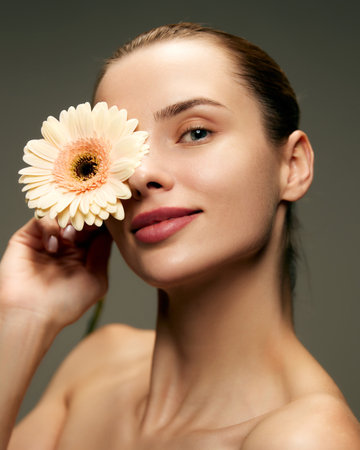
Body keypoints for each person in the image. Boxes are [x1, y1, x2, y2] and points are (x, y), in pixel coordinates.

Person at [2, 22, 360, 449]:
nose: (139, 175)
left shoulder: (303, 437)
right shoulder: (96, 365)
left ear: (293, 165)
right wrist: (20, 316)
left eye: (196, 133)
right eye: (118, 155)